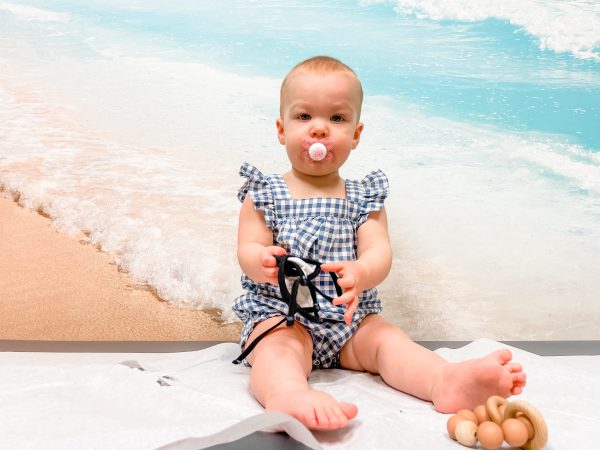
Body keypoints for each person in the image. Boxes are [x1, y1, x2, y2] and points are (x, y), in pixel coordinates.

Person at [233, 56, 526, 431]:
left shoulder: (362, 197)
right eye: (304, 117)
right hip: (286, 316)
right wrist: (261, 259)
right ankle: (288, 394)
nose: (320, 129)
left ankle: (444, 380)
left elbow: (380, 253)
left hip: (350, 321)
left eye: (337, 119)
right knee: (274, 349)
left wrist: (362, 270)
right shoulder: (265, 192)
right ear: (281, 129)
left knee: (389, 342)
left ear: (355, 134)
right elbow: (246, 249)